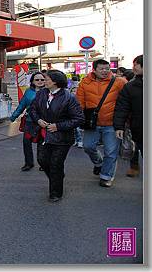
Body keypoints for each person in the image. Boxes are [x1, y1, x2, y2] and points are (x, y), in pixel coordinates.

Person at [28, 70, 84, 202]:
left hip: (62, 138)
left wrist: (58, 126)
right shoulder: (42, 93)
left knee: (55, 164)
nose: (43, 81)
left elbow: (79, 119)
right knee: (42, 160)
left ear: (55, 81)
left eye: (46, 79)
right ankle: (57, 177)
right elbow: (33, 109)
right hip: (44, 134)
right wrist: (38, 120)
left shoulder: (68, 97)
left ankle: (56, 192)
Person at [76, 59, 127, 187]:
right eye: (101, 69)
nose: (105, 71)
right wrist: (79, 119)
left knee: (110, 152)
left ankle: (106, 176)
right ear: (94, 69)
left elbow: (126, 101)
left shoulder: (119, 82)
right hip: (92, 123)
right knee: (88, 146)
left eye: (107, 69)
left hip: (112, 124)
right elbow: (79, 103)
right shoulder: (85, 83)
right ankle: (98, 162)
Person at [113, 55, 143, 177]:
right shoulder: (130, 86)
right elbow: (122, 107)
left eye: (135, 64)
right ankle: (134, 166)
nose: (133, 67)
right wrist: (119, 126)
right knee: (136, 148)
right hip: (138, 127)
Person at [9, 71, 46, 171]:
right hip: (30, 121)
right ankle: (28, 163)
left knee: (41, 143)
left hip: (43, 122)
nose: (40, 81)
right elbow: (22, 105)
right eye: (37, 79)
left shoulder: (48, 92)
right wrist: (13, 117)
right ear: (32, 81)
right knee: (26, 142)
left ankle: (42, 163)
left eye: (42, 79)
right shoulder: (28, 92)